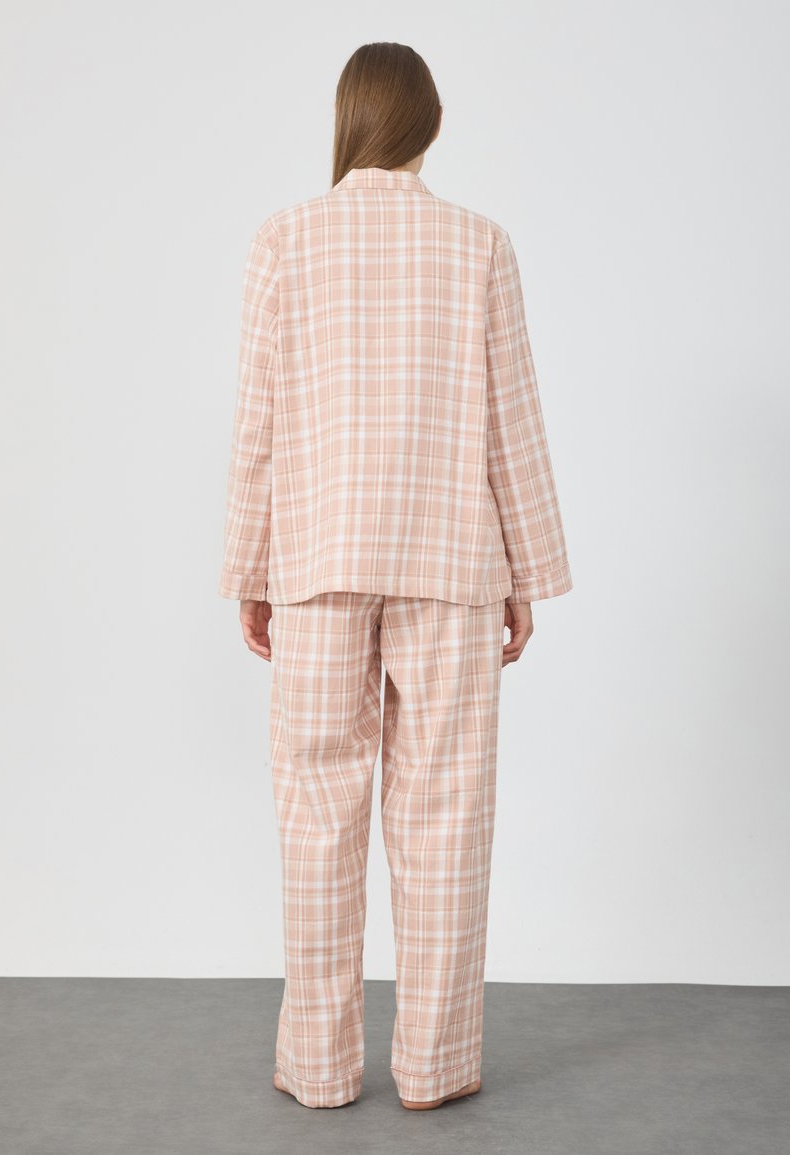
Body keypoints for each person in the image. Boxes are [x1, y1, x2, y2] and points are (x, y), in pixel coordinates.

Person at [219, 41, 573, 1111]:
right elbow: (511, 418)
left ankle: (319, 1067)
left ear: (349, 119)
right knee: (446, 810)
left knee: (315, 812)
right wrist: (525, 570)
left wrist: (249, 566)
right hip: (450, 558)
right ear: (428, 123)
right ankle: (434, 1065)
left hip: (316, 559)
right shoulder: (478, 244)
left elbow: (258, 424)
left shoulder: (284, 238)